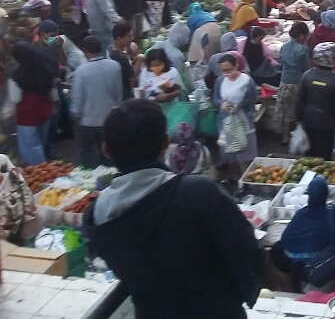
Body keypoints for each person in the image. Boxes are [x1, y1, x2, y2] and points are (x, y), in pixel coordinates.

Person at [83, 100, 264, 319]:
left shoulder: (96, 214)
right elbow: (246, 255)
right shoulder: (200, 192)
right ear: (165, 143)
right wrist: (234, 298)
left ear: (106, 150)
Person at [270, 176, 335, 289]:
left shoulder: (301, 215)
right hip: (334, 266)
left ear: (309, 195)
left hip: (304, 270)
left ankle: (290, 289)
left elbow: (286, 240)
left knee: (276, 250)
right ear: (326, 194)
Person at [71, 36, 123, 169]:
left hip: (88, 121)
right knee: (109, 154)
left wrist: (75, 113)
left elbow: (78, 97)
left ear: (84, 51)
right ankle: (111, 176)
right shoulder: (115, 66)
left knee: (88, 154)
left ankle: (92, 177)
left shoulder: (82, 70)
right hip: (109, 118)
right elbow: (118, 93)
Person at [297, 42, 335, 160]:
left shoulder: (306, 75)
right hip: (327, 122)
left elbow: (300, 99)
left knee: (309, 152)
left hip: (308, 119)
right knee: (324, 153)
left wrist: (298, 118)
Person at [213, 53, 259, 180]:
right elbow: (215, 98)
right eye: (224, 70)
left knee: (245, 151)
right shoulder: (220, 81)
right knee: (229, 151)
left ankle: (246, 177)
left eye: (230, 70)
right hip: (226, 122)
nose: (227, 73)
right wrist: (221, 104)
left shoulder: (247, 81)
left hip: (243, 121)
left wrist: (240, 105)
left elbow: (252, 98)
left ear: (237, 66)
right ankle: (232, 176)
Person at [9, 43, 54, 165]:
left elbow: (15, 98)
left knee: (30, 147)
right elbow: (51, 90)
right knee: (41, 142)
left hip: (27, 115)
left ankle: (38, 170)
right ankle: (46, 167)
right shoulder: (45, 69)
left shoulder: (17, 75)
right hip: (45, 110)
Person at [276, 22, 311, 145]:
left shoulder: (284, 46)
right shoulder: (302, 49)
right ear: (301, 36)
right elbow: (306, 69)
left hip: (284, 81)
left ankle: (284, 135)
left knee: (285, 109)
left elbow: (281, 62)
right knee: (296, 109)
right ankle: (295, 134)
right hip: (297, 83)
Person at [108, 21, 140, 101]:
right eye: (129, 37)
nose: (132, 38)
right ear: (119, 39)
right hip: (125, 96)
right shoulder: (118, 57)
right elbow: (132, 77)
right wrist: (140, 59)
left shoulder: (112, 49)